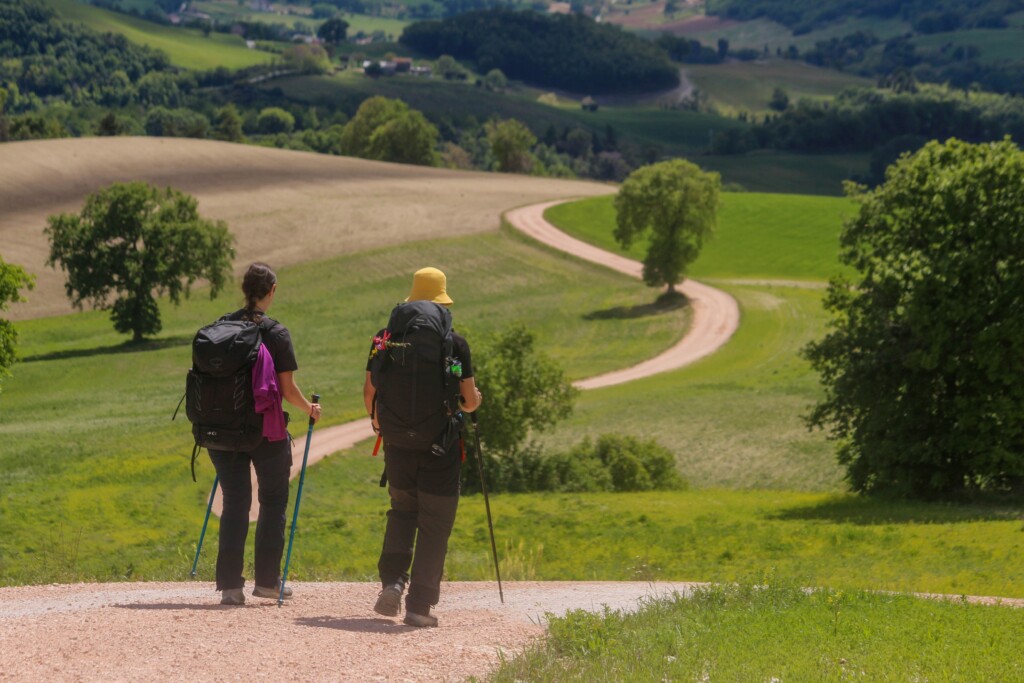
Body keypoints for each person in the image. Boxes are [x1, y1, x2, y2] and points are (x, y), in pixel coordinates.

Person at [363, 267, 482, 627]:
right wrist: (473, 400)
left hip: (397, 444)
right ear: (442, 301)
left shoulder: (383, 339)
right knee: (435, 522)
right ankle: (419, 606)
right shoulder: (454, 343)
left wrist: (379, 424)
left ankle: (393, 583)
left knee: (402, 511)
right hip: (440, 448)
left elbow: (370, 392)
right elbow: (468, 400)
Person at [210, 262, 321, 606]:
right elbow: (287, 391)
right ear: (271, 290)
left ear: (245, 290)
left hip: (223, 431)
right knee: (273, 500)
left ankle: (230, 587)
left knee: (235, 502)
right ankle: (268, 582)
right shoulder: (276, 334)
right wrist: (309, 409)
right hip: (264, 432)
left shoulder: (221, 327)